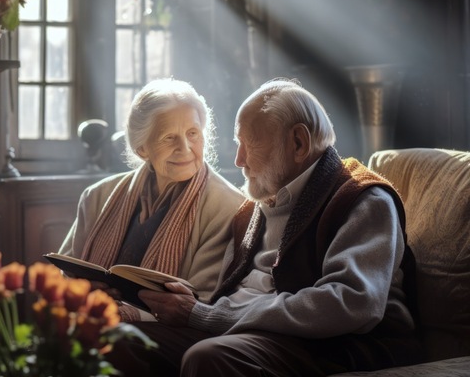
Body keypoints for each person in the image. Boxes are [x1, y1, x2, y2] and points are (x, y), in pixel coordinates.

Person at [109, 78, 422, 376]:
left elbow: (353, 303)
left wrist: (206, 316)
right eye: (237, 143)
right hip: (250, 332)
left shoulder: (363, 200)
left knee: (210, 358)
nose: (238, 160)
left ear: (298, 143)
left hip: (340, 344)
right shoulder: (254, 208)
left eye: (249, 144)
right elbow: (226, 299)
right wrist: (188, 305)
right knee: (121, 338)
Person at [58, 78, 245, 320]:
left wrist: (123, 315)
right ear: (142, 149)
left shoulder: (229, 206)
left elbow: (201, 301)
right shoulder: (97, 197)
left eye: (193, 133)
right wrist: (81, 292)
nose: (185, 148)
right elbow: (63, 275)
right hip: (90, 319)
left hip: (168, 333)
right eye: (169, 138)